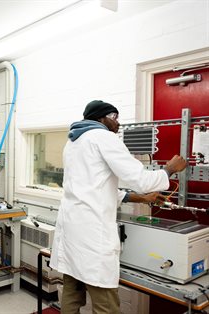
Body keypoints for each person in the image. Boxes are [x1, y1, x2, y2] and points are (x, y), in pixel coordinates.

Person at [50, 100, 187, 314]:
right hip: (92, 235)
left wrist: (141, 199)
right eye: (114, 117)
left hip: (71, 230)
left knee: (72, 293)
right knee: (106, 304)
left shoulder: (74, 141)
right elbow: (140, 179)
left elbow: (95, 187)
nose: (118, 123)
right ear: (100, 118)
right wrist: (169, 170)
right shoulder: (103, 137)